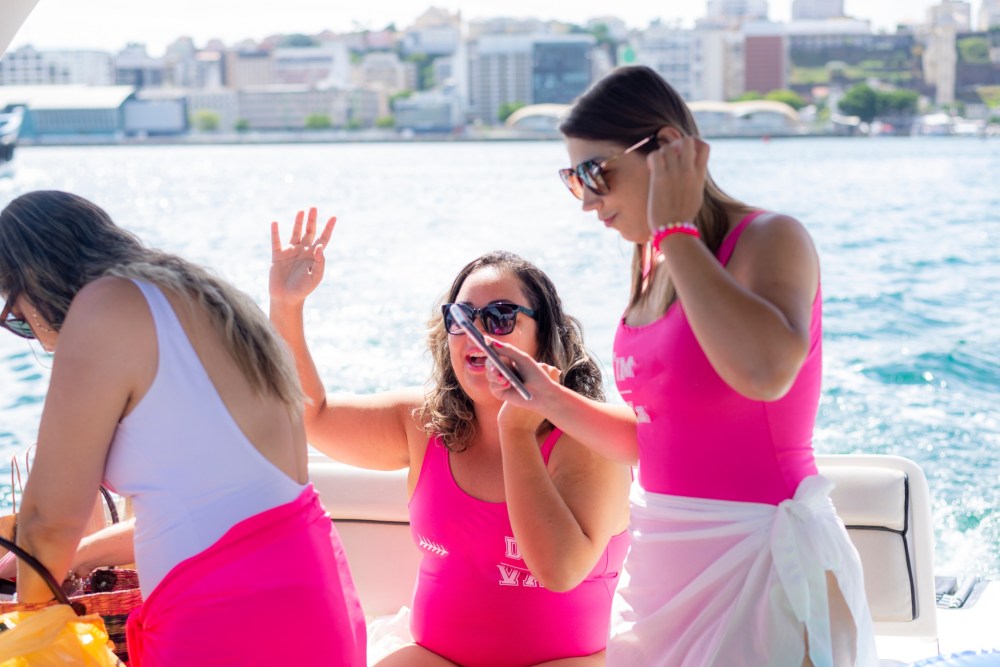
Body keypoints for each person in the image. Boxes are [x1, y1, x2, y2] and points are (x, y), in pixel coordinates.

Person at [480, 66, 878, 666]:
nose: (588, 202)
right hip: (666, 557)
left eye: (596, 173)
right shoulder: (655, 266)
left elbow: (766, 373)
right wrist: (548, 399)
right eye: (573, 179)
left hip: (758, 558)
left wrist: (675, 230)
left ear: (667, 149)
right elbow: (661, 442)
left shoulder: (767, 238)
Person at [0, 191, 366, 666]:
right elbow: (209, 511)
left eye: (19, 320)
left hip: (229, 621)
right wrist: (83, 554)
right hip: (316, 598)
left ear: (37, 283)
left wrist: (29, 623)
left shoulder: (101, 309)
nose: (39, 340)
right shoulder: (207, 298)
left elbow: (47, 524)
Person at [269, 208, 632, 667]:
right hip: (436, 657)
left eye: (500, 317)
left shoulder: (589, 436)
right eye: (462, 317)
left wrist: (517, 427)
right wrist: (286, 305)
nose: (477, 334)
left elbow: (560, 570)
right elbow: (311, 415)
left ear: (544, 336)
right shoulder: (423, 424)